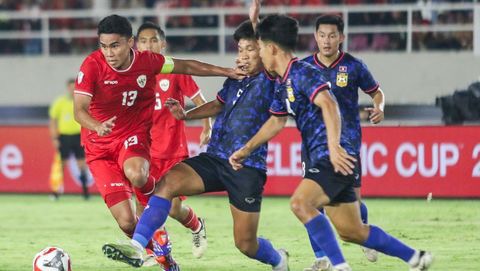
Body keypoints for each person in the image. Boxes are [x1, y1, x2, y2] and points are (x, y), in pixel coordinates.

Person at [229, 14, 433, 271]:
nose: (257, 55)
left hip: (332, 154)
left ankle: (338, 266)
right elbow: (276, 122)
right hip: (323, 156)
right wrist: (246, 150)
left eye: (258, 48)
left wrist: (335, 147)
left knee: (300, 203)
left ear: (271, 48)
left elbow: (329, 102)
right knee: (353, 231)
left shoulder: (303, 72)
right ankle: (416, 257)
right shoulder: (285, 81)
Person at [102, 20, 289, 271]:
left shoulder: (272, 77)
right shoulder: (236, 78)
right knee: (166, 184)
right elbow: (218, 103)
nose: (242, 56)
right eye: (240, 50)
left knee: (245, 244)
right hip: (215, 158)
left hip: (246, 166)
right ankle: (138, 247)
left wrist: (256, 19)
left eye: (249, 50)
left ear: (265, 50)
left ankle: (278, 259)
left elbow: (273, 49)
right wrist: (187, 115)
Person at [73, 14, 243, 269]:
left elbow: (187, 66)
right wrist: (97, 126)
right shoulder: (91, 66)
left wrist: (227, 71)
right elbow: (79, 110)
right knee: (127, 223)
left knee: (138, 174)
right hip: (98, 147)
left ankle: (161, 203)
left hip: (133, 135)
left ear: (130, 42)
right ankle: (166, 259)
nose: (109, 53)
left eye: (115, 45)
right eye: (104, 46)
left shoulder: (148, 62)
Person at [300, 14, 386, 271]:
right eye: (322, 35)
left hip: (347, 145)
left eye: (332, 35)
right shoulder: (304, 68)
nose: (327, 41)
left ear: (342, 37)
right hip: (313, 146)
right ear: (315, 36)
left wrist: (379, 107)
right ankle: (322, 258)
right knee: (311, 202)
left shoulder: (354, 66)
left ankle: (364, 232)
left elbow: (376, 92)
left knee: (351, 203)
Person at [135, 21, 209, 260]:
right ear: (136, 45)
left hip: (171, 149)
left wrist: (207, 125)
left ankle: (197, 225)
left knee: (174, 208)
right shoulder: (132, 73)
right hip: (143, 150)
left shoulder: (175, 69)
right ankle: (152, 251)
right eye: (144, 41)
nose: (149, 45)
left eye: (153, 40)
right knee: (141, 203)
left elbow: (200, 100)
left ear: (163, 44)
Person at [49, 78, 90, 200]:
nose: (73, 89)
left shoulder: (81, 102)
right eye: (71, 87)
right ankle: (56, 192)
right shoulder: (60, 102)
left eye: (75, 87)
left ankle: (85, 192)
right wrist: (55, 138)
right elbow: (53, 121)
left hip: (78, 136)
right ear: (68, 88)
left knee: (82, 164)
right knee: (61, 165)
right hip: (64, 137)